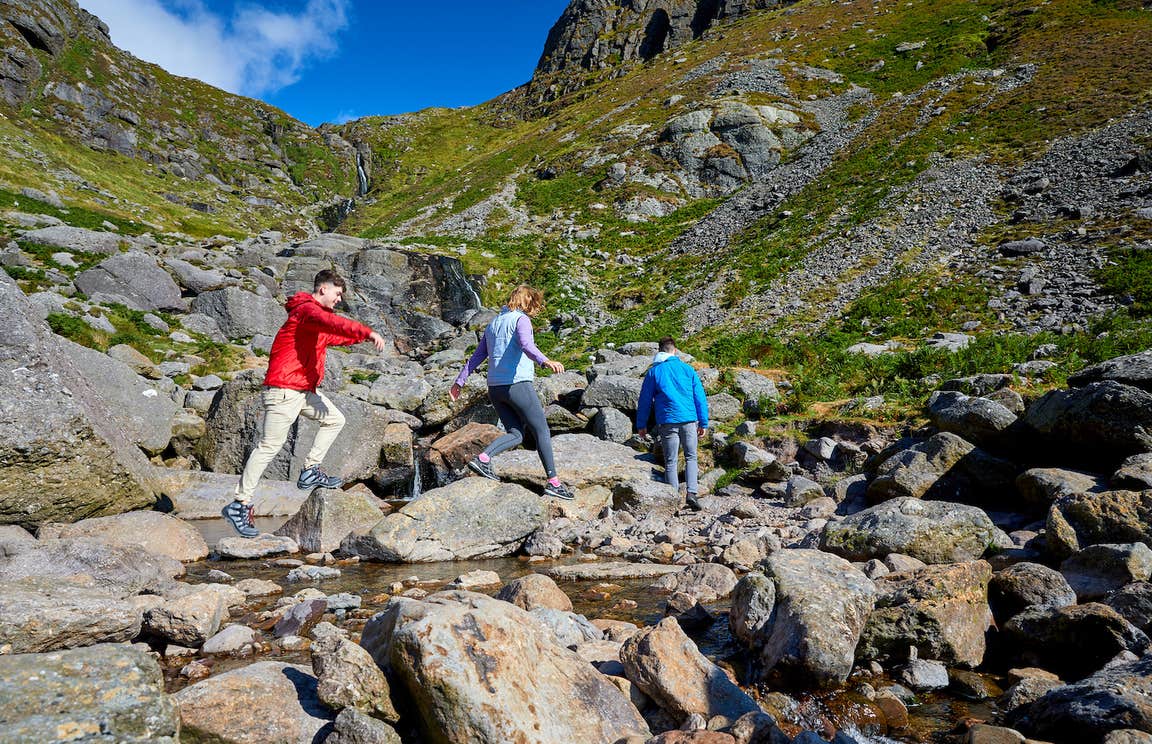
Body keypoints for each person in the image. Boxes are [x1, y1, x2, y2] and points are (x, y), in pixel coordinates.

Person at [222, 269, 388, 538]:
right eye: (337, 294)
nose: (338, 300)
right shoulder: (306, 311)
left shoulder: (314, 320)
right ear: (323, 289)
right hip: (284, 390)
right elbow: (331, 323)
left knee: (335, 419)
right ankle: (239, 504)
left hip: (301, 390)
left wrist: (360, 338)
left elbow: (334, 335)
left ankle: (310, 470)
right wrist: (366, 331)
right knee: (268, 447)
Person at [449, 285, 575, 500]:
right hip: (516, 384)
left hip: (495, 388)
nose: (535, 310)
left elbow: (477, 357)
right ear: (527, 302)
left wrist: (459, 381)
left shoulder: (493, 323)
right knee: (542, 431)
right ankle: (553, 482)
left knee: (516, 434)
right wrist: (546, 361)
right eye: (534, 305)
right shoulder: (520, 319)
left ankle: (483, 458)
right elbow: (526, 345)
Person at [636, 337, 709, 511]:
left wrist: (641, 424)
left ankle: (673, 499)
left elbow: (645, 400)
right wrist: (703, 422)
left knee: (671, 460)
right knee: (691, 456)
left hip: (667, 421)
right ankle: (692, 493)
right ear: (675, 351)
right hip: (689, 420)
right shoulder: (688, 369)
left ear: (660, 351)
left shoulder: (654, 372)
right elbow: (700, 397)